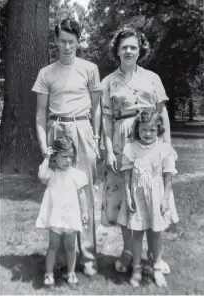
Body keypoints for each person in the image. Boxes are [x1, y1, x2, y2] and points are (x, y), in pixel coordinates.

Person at [32, 18, 101, 276]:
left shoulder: (90, 69)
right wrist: (44, 146)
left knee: (85, 192)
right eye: (62, 41)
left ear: (78, 41)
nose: (67, 46)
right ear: (56, 40)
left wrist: (94, 139)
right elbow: (40, 113)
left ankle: (89, 257)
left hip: (82, 130)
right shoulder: (46, 73)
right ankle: (60, 257)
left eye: (72, 41)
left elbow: (96, 108)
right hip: (56, 130)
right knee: (59, 192)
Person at [101, 27, 171, 274]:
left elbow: (162, 113)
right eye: (124, 47)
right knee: (123, 197)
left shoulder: (153, 78)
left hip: (150, 138)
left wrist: (168, 147)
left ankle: (155, 255)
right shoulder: (108, 82)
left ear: (140, 49)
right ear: (117, 51)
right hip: (121, 141)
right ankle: (129, 250)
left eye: (133, 46)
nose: (128, 51)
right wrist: (109, 151)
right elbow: (106, 120)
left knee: (149, 193)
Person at [118, 110, 179, 288]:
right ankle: (136, 268)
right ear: (137, 129)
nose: (147, 134)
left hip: (157, 197)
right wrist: (128, 196)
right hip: (137, 197)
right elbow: (127, 176)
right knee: (137, 233)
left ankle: (157, 267)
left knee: (156, 233)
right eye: (144, 129)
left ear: (158, 130)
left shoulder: (164, 150)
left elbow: (168, 177)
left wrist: (166, 199)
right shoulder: (130, 148)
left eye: (152, 130)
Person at [36, 136, 89, 287]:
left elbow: (82, 195)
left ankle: (71, 273)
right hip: (56, 218)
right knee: (53, 245)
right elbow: (40, 176)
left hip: (71, 217)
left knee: (71, 247)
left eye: (71, 157)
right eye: (64, 156)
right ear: (55, 156)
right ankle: (49, 273)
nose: (68, 160)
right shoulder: (52, 174)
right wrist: (46, 158)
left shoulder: (76, 175)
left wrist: (84, 212)